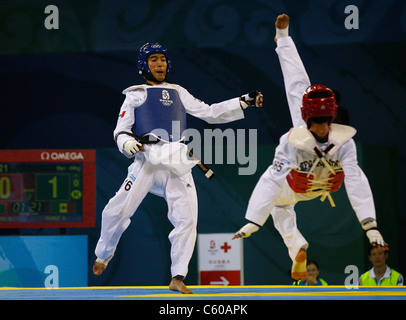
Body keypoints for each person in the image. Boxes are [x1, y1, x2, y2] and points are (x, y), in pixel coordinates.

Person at [93, 42, 263, 294]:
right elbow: (121, 130)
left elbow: (210, 112)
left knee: (187, 219)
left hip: (177, 159)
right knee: (116, 210)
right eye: (154, 59)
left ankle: (178, 276)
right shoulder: (135, 94)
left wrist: (242, 102)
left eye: (162, 59)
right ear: (144, 65)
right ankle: (104, 254)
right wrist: (127, 142)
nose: (160, 63)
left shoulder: (178, 92)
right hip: (147, 158)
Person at [233, 14, 387, 281]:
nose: (317, 126)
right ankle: (298, 252)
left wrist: (370, 226)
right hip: (309, 187)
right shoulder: (323, 140)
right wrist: (253, 222)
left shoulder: (312, 141)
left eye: (318, 119)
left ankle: (297, 248)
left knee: (280, 207)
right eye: (317, 120)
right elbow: (354, 181)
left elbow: (354, 180)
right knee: (300, 89)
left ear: (319, 118)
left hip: (301, 186)